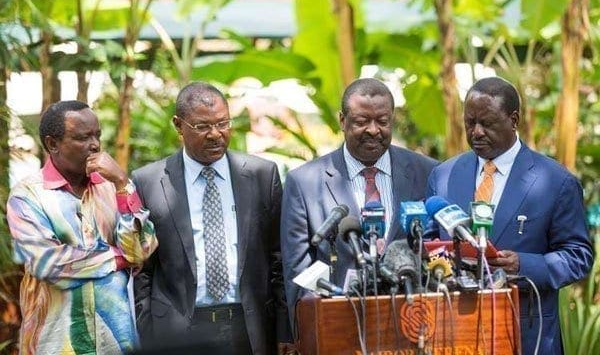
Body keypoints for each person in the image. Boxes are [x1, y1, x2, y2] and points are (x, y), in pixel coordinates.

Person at [425, 76, 593, 354]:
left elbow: (578, 256)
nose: (476, 132)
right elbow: (429, 244)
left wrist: (523, 265)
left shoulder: (556, 181)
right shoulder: (443, 176)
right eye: (469, 122)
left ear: (513, 119)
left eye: (487, 123)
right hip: (455, 332)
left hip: (526, 333)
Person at [132, 81, 293, 354]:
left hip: (248, 327)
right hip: (178, 331)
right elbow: (142, 269)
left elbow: (278, 259)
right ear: (178, 125)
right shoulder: (148, 182)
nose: (215, 134)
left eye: (223, 123)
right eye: (202, 126)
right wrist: (148, 330)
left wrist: (284, 330)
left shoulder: (261, 175)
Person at [281, 77, 438, 327]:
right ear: (342, 121)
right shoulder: (304, 182)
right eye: (362, 122)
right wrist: (316, 327)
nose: (373, 130)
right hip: (339, 326)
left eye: (383, 122)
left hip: (412, 322)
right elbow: (297, 269)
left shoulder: (427, 172)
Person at [6, 100, 158, 355]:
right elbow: (48, 264)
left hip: (116, 344)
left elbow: (142, 249)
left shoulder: (111, 187)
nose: (95, 145)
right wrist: (118, 258)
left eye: (97, 135)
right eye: (82, 137)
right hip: (54, 343)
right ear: (52, 144)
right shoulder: (27, 196)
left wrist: (122, 183)